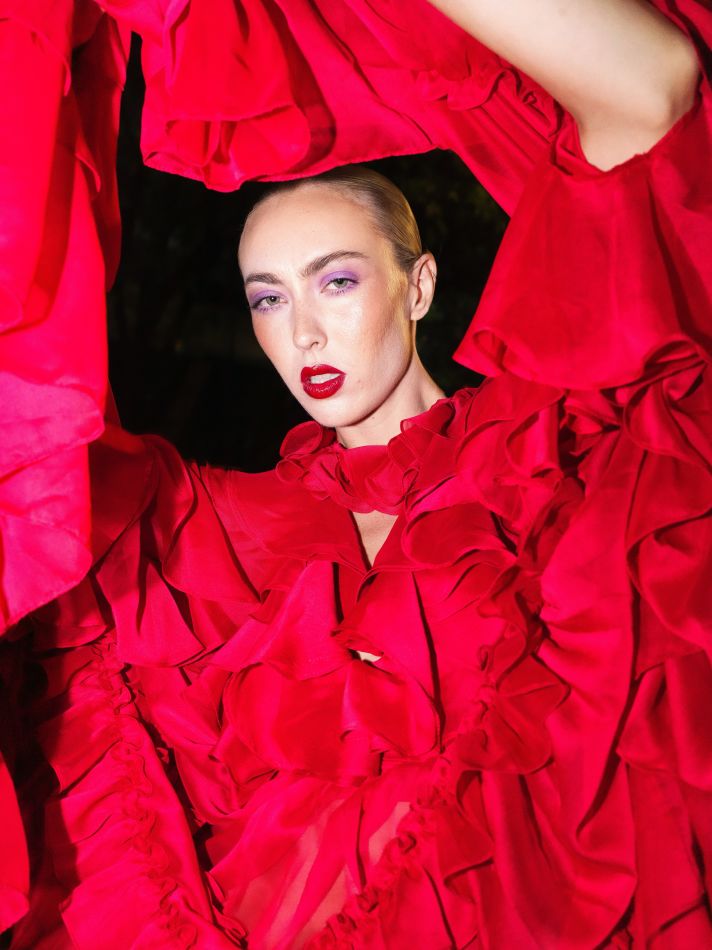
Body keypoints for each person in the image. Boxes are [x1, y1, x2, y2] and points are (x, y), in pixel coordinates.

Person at [5, 0, 712, 947]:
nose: (302, 333)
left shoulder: (556, 448)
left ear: (418, 286)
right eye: (268, 299)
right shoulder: (201, 532)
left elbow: (653, 88)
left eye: (336, 281)